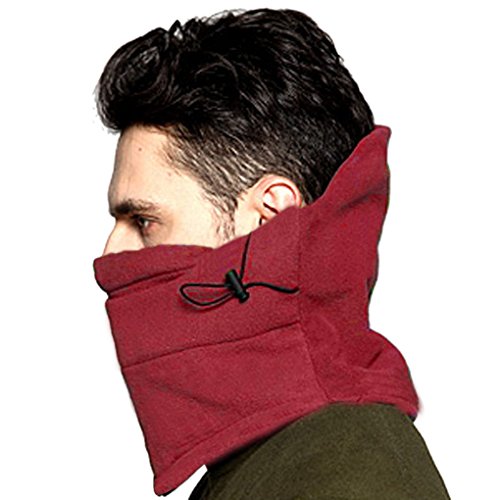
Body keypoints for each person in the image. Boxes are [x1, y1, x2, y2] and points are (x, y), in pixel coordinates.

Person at [92, 7, 451, 499]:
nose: (110, 255)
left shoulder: (352, 473)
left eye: (143, 220)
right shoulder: (268, 452)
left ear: (271, 216)